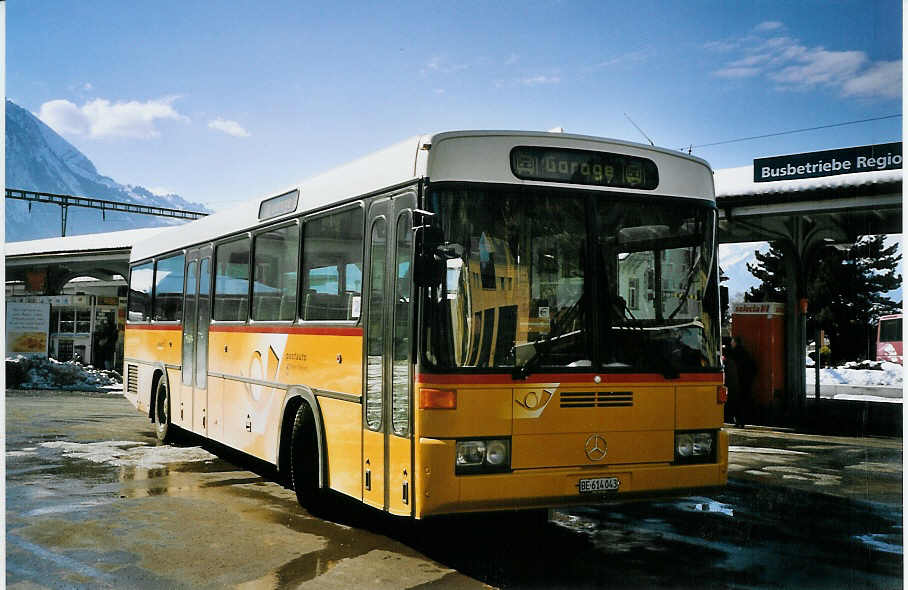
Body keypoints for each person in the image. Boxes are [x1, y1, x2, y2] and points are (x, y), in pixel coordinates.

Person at [725, 336, 756, 428]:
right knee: (744, 402)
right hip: (745, 382)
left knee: (736, 402)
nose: (731, 343)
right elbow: (753, 367)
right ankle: (742, 421)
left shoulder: (733, 353)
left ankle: (738, 421)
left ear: (735, 343)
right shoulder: (746, 353)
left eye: (732, 342)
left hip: (737, 382)